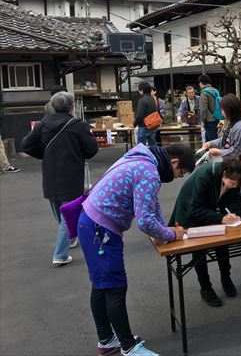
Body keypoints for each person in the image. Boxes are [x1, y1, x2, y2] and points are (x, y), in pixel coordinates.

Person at [78, 142, 194, 356]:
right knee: (114, 287)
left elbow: (151, 203)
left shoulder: (143, 157)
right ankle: (129, 348)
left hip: (89, 221)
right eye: (180, 173)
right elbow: (145, 221)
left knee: (101, 285)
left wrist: (164, 228)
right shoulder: (149, 171)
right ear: (174, 162)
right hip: (101, 230)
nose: (177, 177)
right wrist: (170, 234)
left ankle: (107, 341)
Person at [22, 91, 98, 266]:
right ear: (71, 106)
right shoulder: (78, 125)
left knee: (60, 213)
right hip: (71, 176)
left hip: (50, 176)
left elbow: (26, 145)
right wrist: (77, 154)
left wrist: (43, 154)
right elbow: (91, 149)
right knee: (67, 217)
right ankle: (60, 254)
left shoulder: (42, 124)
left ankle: (70, 239)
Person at [169, 152, 241, 307]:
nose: (234, 187)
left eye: (237, 185)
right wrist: (220, 218)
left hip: (212, 211)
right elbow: (195, 208)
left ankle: (226, 278)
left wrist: (233, 214)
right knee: (199, 251)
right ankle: (205, 288)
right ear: (224, 174)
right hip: (190, 214)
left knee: (223, 243)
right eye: (232, 184)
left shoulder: (235, 177)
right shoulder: (205, 175)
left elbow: (233, 201)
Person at [203, 94, 241, 218]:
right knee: (232, 201)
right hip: (232, 168)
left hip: (238, 170)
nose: (221, 112)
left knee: (237, 202)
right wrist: (210, 143)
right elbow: (224, 140)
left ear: (229, 110)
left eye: (222, 109)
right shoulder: (234, 124)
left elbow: (238, 151)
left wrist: (219, 152)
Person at [198, 74, 223, 142]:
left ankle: (216, 152)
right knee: (209, 139)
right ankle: (208, 152)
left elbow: (203, 108)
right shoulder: (215, 91)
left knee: (213, 140)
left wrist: (202, 121)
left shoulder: (204, 92)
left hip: (209, 120)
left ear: (201, 83)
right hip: (217, 117)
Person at [133, 82, 159, 146]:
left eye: (139, 90)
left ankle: (143, 156)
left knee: (141, 147)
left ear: (142, 90)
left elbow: (139, 115)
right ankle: (154, 155)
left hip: (143, 126)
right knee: (153, 146)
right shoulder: (153, 98)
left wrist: (134, 124)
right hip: (152, 125)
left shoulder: (142, 100)